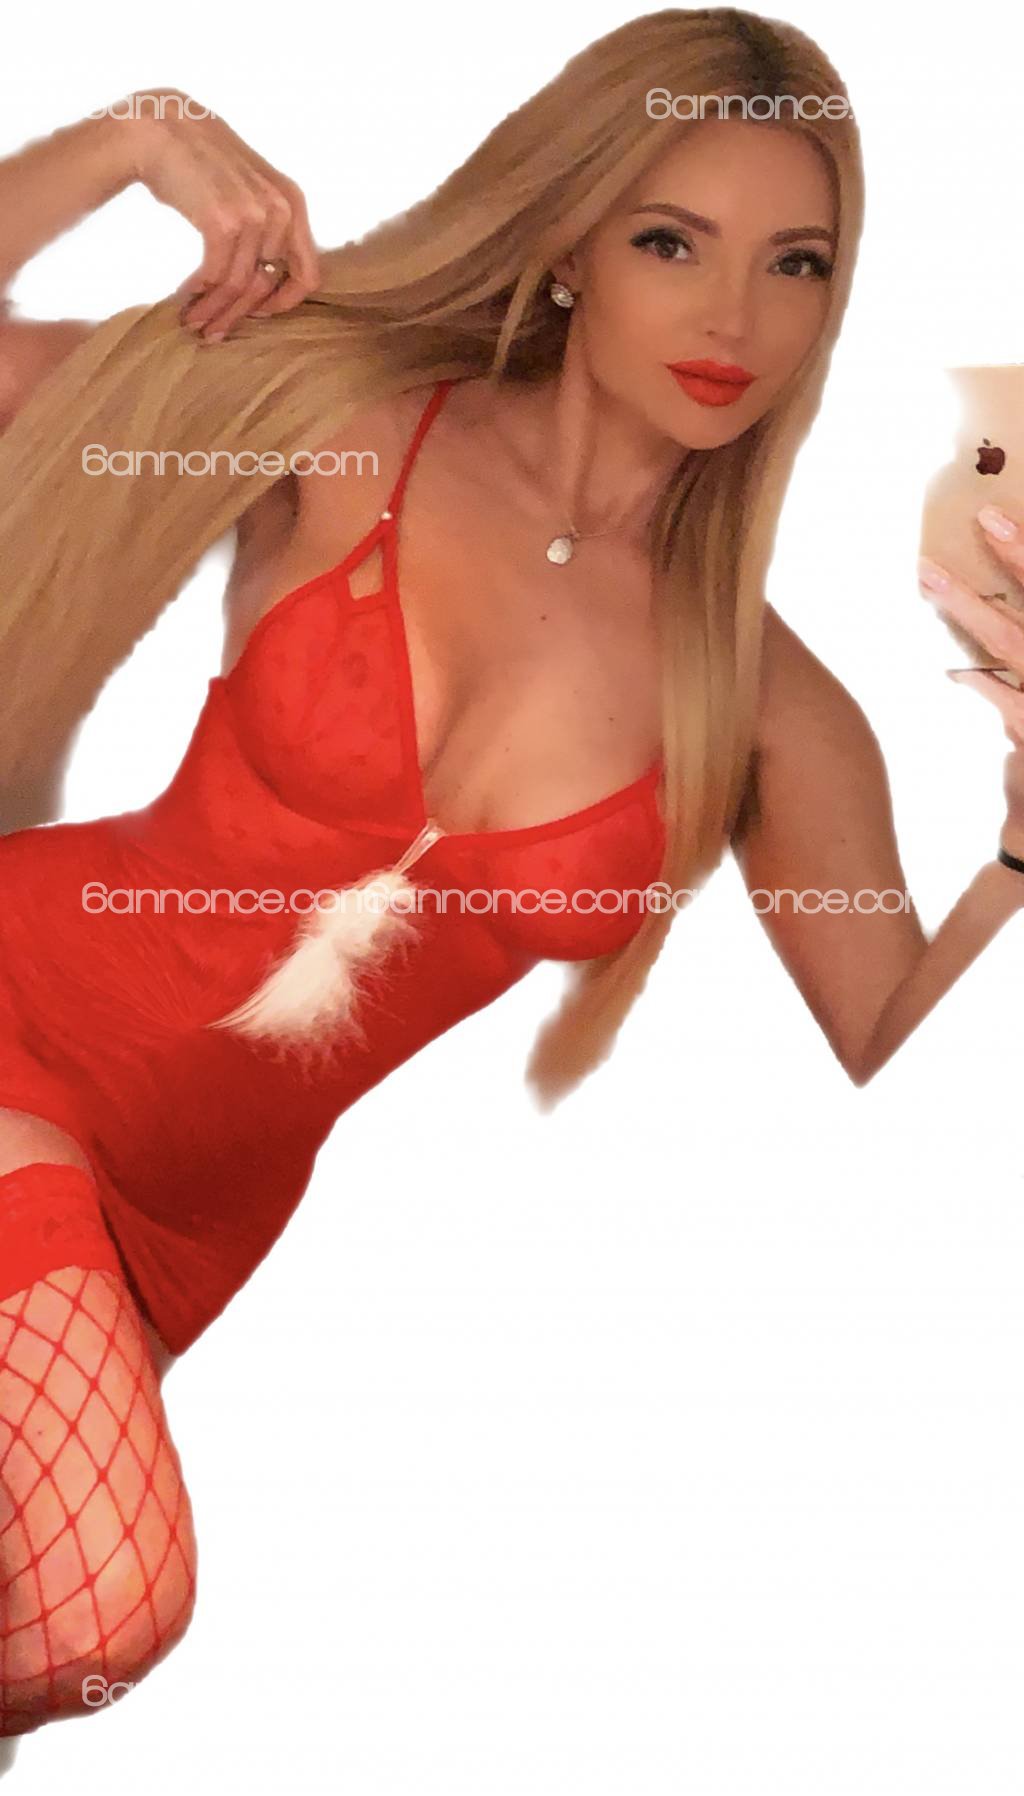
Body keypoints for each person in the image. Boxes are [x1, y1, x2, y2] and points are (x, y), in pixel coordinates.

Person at [2, 6, 1024, 1740]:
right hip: (25, 1033)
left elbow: (900, 1050)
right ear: (565, 245)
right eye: (670, 242)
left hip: (186, 1219)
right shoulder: (343, 418)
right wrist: (129, 139)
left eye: (795, 264)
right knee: (105, 1601)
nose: (734, 318)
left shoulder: (762, 704)